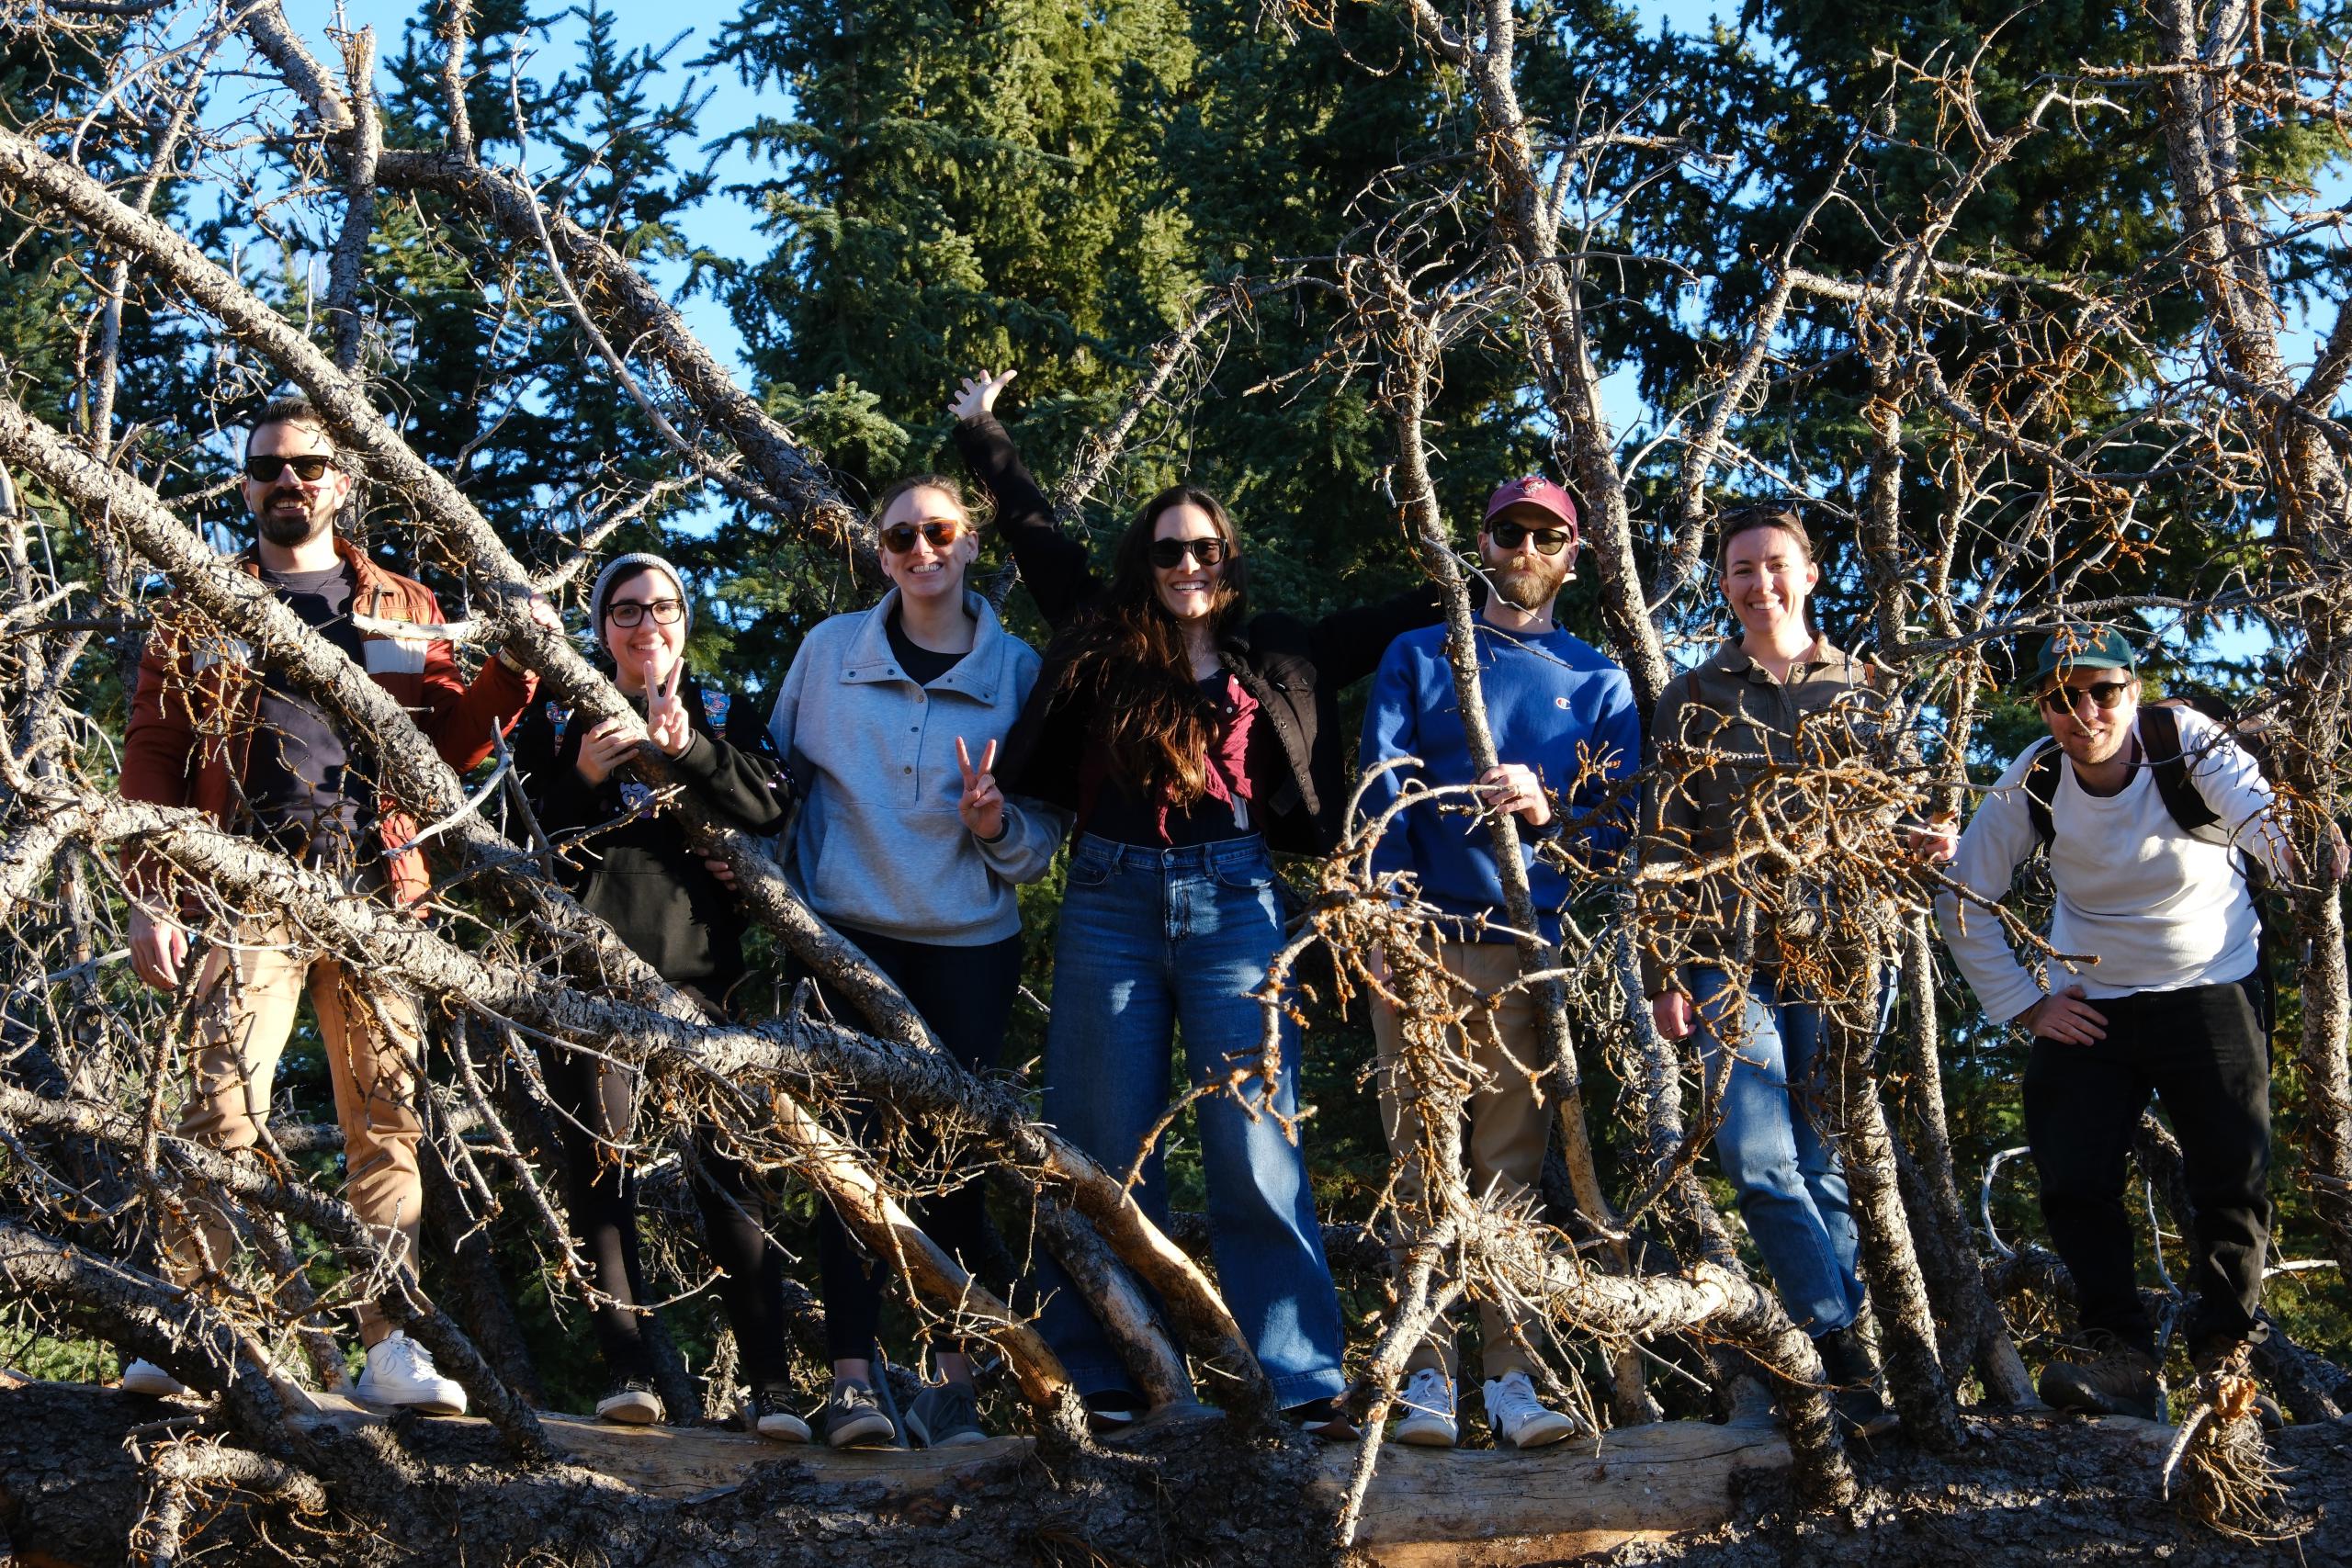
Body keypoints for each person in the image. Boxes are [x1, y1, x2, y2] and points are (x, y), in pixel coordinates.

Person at [949, 367, 1449, 1438]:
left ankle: (1301, 1381)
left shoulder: (1278, 653)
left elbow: (1396, 617)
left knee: (1254, 1142)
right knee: (1100, 1148)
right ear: (1147, 563)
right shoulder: (1099, 635)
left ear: (1229, 562)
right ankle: (1112, 1375)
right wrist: (984, 431)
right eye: (1169, 549)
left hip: (1236, 904)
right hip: (1108, 904)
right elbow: (1034, 529)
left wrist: (1487, 560)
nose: (1187, 565)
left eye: (1205, 550)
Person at [118, 396, 557, 1412]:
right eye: (269, 467)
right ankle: (208, 1329)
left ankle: (391, 1343)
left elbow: (445, 746)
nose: (289, 481)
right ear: (245, 484)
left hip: (377, 887)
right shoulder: (199, 606)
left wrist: (514, 673)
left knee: (388, 1119)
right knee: (222, 1107)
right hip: (244, 886)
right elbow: (153, 750)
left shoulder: (404, 605)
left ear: (342, 482)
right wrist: (153, 891)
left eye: (309, 466)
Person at [1933, 626, 2330, 1419]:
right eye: (2061, 697)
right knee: (2075, 1175)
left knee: (2231, 1173)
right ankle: (2119, 1353)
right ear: (2043, 709)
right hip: (2092, 1001)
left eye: (2101, 690)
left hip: (2212, 983)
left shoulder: (2188, 744)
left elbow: (2258, 814)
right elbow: (1961, 894)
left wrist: (2301, 855)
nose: (2084, 711)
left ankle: (2226, 1354)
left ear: (2133, 690)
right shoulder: (2036, 780)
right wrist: (2025, 1002)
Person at [766, 472, 1063, 1450]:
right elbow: (777, 788)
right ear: (879, 550)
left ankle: (952, 1381)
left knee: (952, 1169)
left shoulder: (1017, 671)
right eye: (900, 537)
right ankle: (853, 1381)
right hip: (845, 936)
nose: (920, 551)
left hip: (967, 949)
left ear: (972, 542)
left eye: (938, 531)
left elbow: (1037, 843)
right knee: (842, 1162)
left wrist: (995, 822)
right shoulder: (826, 654)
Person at [1641, 502, 1935, 1437]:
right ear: (1722, 584)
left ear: (1808, 573)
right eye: (1739, 569)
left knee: (1824, 1162)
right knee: (1758, 1160)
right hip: (1727, 956)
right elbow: (1662, 838)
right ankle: (1840, 1348)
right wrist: (1662, 969)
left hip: (1840, 954)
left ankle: (1845, 1371)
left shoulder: (1863, 689)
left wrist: (1921, 842)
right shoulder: (1692, 694)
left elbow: (1903, 811)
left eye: (1775, 565)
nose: (1758, 582)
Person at [1358, 475, 1641, 1450]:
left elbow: (1616, 838)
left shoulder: (1597, 680)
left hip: (1525, 951)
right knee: (1419, 1164)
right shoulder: (1420, 656)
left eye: (1544, 535)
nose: (1524, 548)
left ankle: (1512, 1380)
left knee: (1508, 1172)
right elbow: (1381, 793)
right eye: (1507, 531)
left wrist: (1548, 806)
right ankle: (1426, 1382)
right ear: (1478, 542)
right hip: (1421, 945)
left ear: (1574, 554)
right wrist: (1388, 926)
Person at [508, 551, 811, 1442]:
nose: (646, 625)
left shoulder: (717, 710)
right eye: (626, 610)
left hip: (703, 981)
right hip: (587, 978)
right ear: (601, 626)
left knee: (730, 1174)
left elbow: (767, 810)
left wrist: (692, 753)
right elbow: (517, 841)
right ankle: (628, 1370)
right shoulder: (557, 712)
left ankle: (771, 1386)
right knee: (600, 1170)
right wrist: (587, 778)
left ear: (685, 620)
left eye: (663, 608)